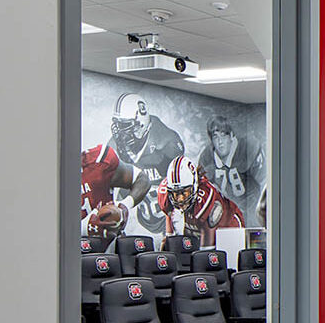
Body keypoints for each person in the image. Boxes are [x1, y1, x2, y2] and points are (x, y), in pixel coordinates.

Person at [107, 92, 185, 234]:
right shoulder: (114, 146)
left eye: (126, 126)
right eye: (119, 125)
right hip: (134, 208)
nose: (121, 133)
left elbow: (181, 182)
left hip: (163, 212)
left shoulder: (167, 142)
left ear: (141, 124)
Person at [159, 155, 246, 246]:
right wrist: (170, 241)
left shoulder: (205, 199)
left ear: (195, 186)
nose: (180, 199)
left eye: (184, 193)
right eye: (176, 194)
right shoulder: (166, 196)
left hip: (227, 227)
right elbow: (170, 239)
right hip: (198, 231)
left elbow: (207, 249)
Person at [199, 115, 266, 224]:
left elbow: (265, 182)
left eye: (223, 135)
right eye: (215, 137)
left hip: (252, 211)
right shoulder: (206, 158)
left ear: (231, 136)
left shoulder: (247, 148)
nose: (220, 142)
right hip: (226, 216)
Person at [80, 143, 150, 240]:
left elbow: (141, 179)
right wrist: (84, 227)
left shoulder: (98, 162)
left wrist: (125, 205)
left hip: (108, 249)